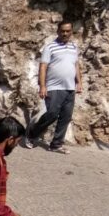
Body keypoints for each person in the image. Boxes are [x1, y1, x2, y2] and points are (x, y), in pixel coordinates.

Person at [23, 21, 82, 154]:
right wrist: (42, 86)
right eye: (62, 31)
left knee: (66, 117)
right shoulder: (50, 47)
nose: (65, 33)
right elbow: (43, 66)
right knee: (52, 114)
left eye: (68, 31)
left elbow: (76, 65)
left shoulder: (74, 47)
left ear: (71, 32)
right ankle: (31, 134)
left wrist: (79, 82)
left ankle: (56, 144)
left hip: (70, 88)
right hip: (54, 87)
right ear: (58, 31)